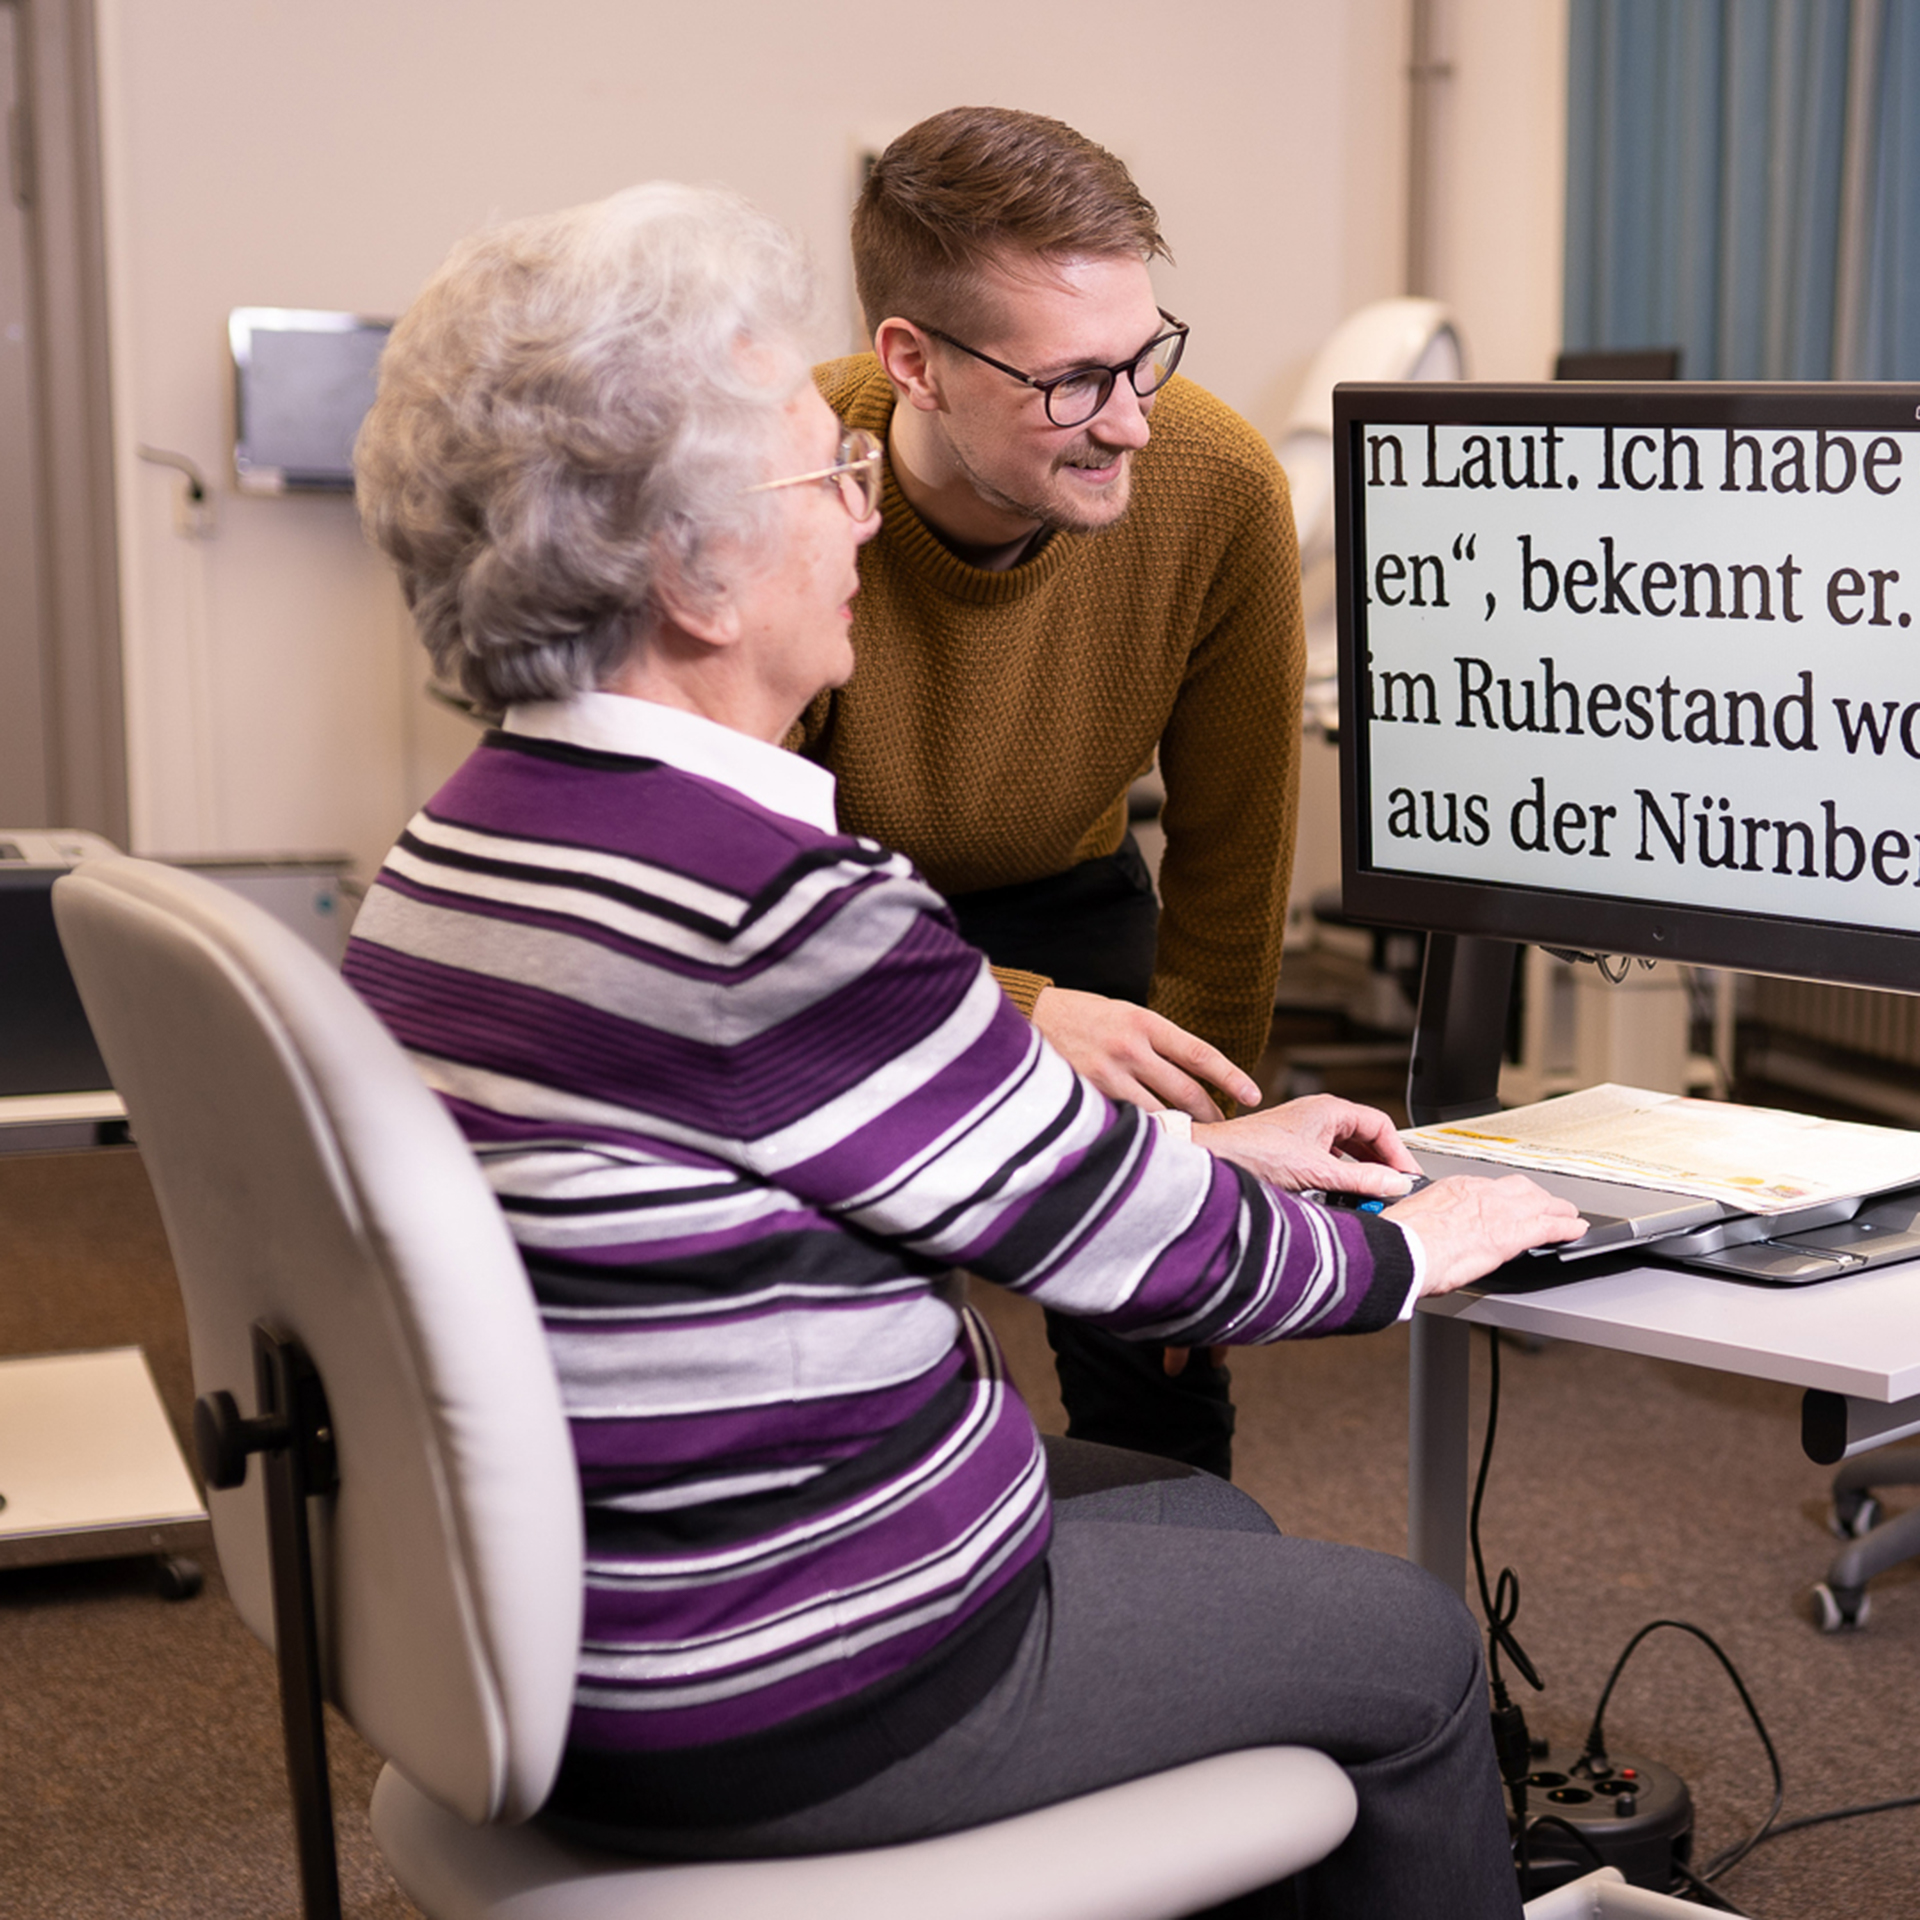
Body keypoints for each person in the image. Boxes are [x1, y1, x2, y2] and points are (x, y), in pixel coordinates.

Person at [344, 180, 1586, 1919]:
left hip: (575, 1614)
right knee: (1412, 1652)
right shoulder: (769, 904)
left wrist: (1213, 1142)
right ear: (693, 574)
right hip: (779, 1679)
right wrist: (1419, 1240)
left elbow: (835, 1152)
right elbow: (1162, 1263)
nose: (860, 523)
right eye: (821, 478)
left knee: (1205, 1527)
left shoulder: (465, 843)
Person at [802, 106, 1310, 1477]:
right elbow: (743, 911)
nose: (1130, 424)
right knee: (858, 1300)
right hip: (823, 910)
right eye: (1074, 381)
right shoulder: (784, 485)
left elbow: (1232, 856)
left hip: (1069, 894)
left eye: (1144, 356)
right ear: (911, 361)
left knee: (1162, 1325)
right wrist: (1015, 1021)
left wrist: (1215, 1161)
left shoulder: (1216, 487)